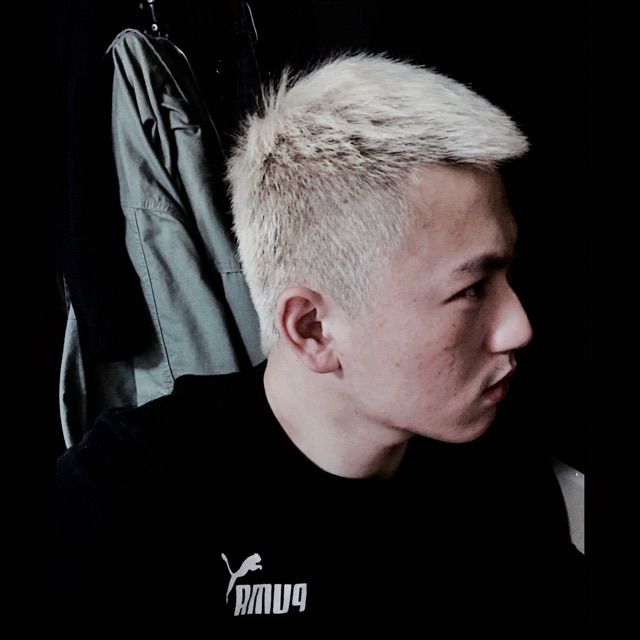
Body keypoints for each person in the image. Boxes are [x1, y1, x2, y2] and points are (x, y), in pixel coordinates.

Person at [56, 53, 582, 637]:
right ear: (312, 329)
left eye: (508, 274)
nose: (520, 326)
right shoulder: (122, 504)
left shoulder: (502, 473)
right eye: (472, 289)